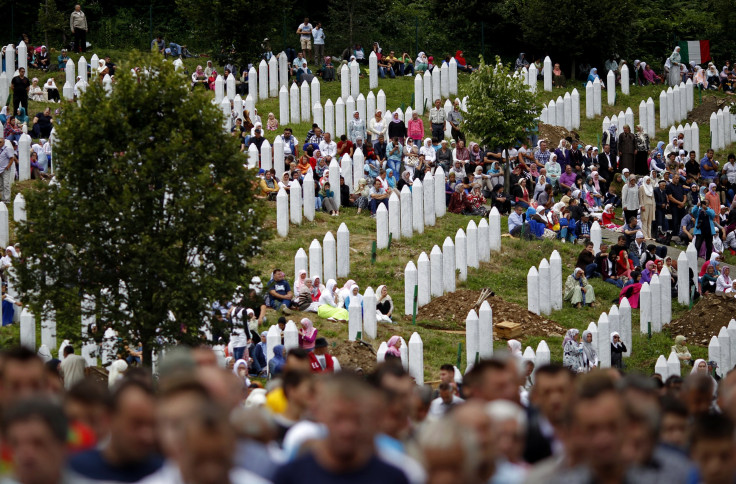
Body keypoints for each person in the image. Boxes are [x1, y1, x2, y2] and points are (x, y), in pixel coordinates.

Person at [69, 379, 163, 481]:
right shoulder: (73, 471)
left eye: (152, 425)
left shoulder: (166, 473)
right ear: (109, 418)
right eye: (136, 424)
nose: (147, 435)